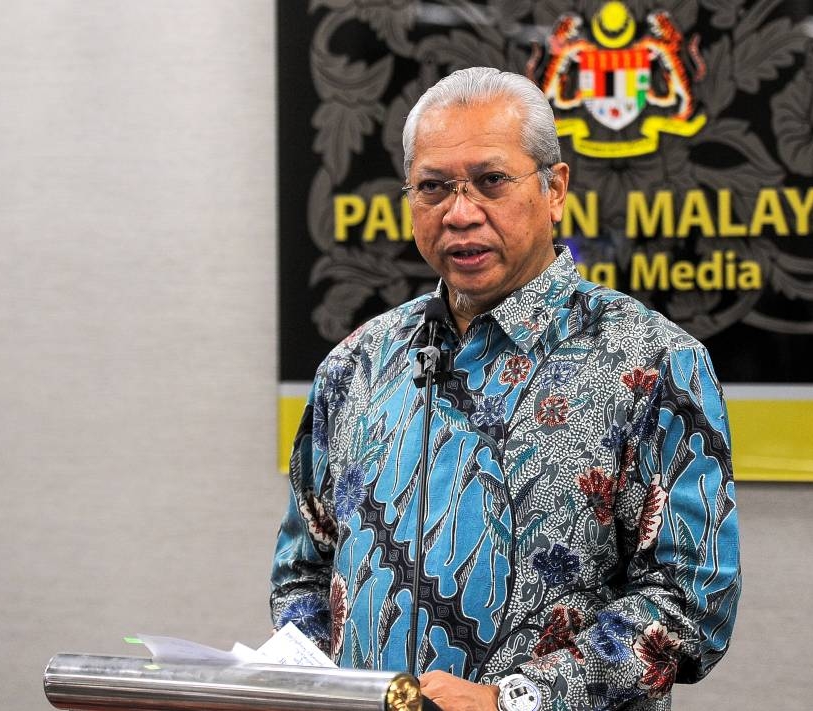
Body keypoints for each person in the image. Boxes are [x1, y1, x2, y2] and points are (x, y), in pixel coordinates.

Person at [271, 66, 740, 711]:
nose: (460, 213)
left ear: (555, 190)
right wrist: (318, 682)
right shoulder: (356, 366)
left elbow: (690, 607)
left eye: (491, 181)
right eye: (433, 188)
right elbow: (302, 572)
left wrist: (509, 701)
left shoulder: (653, 362)